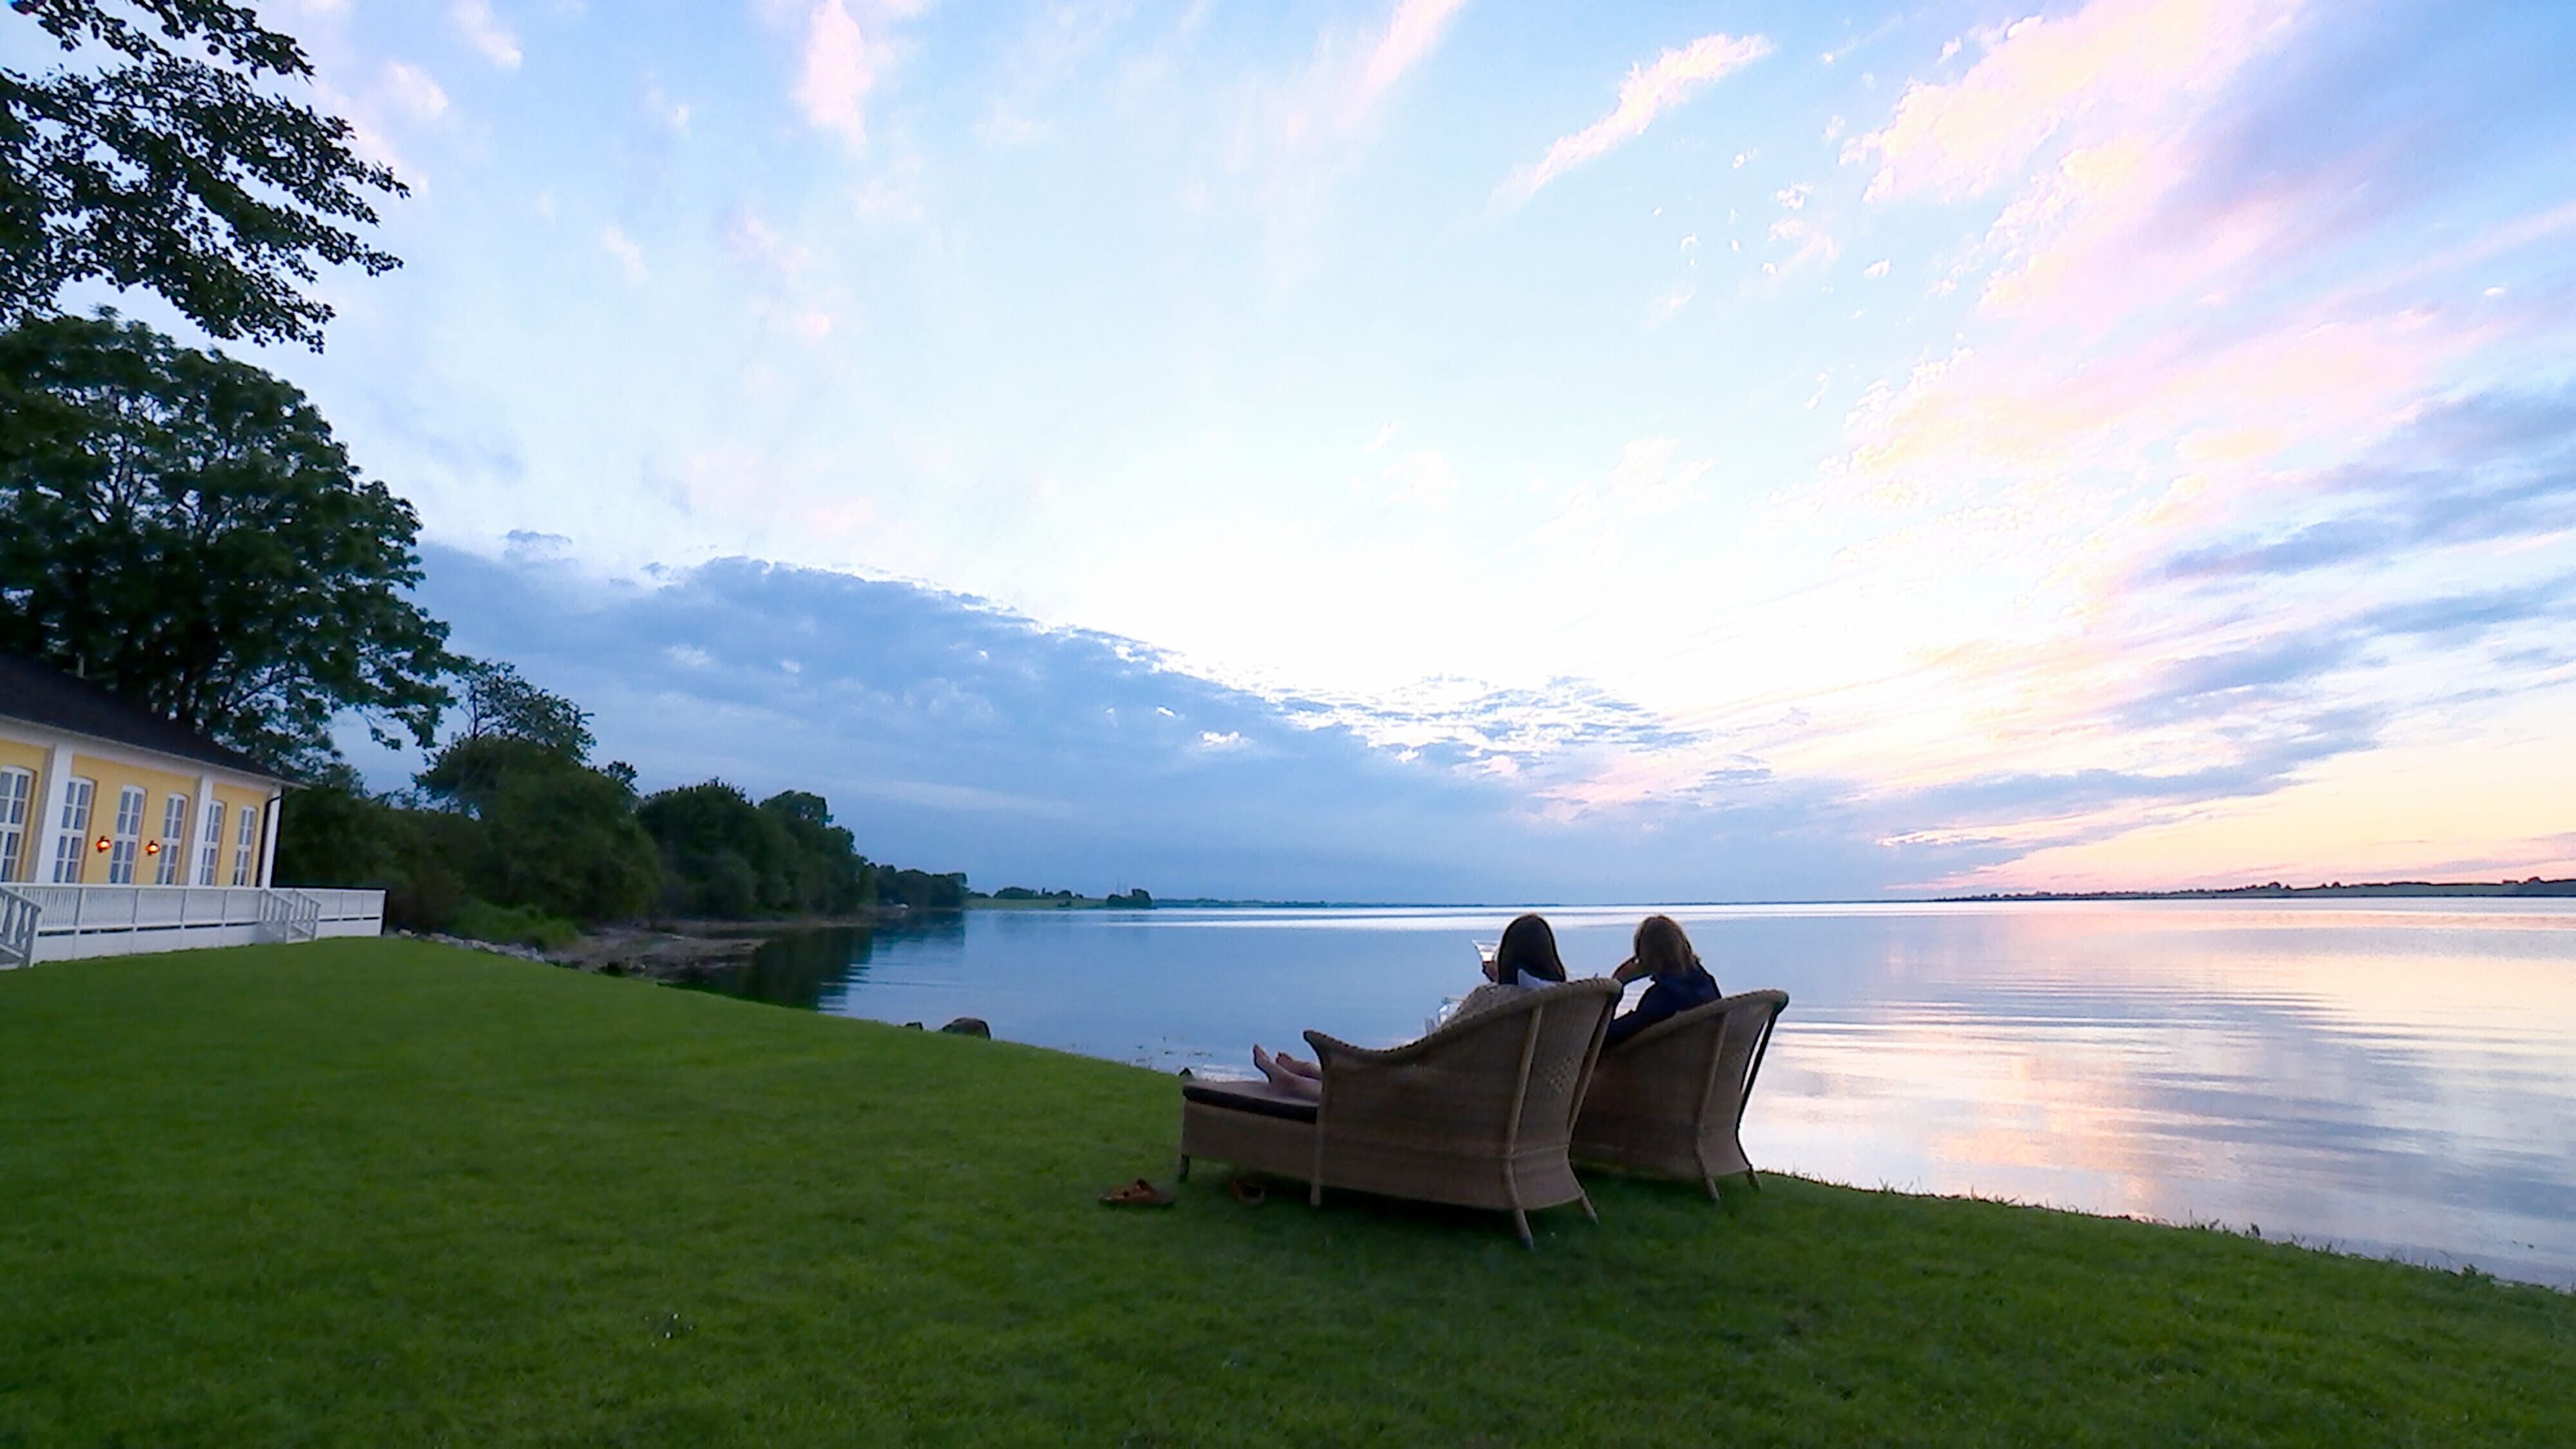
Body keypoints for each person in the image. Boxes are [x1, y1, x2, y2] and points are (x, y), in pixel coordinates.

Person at [1251, 913, 1568, 1101]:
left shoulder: (1494, 1000)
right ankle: (1310, 1071)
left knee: (1377, 1084)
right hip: (1505, 1099)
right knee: (1384, 1076)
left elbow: (1444, 1040)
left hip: (1455, 1098)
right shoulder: (1564, 1004)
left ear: (1508, 955)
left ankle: (1293, 1082)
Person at [1603, 914, 1721, 1049]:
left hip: (1656, 1068)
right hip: (1703, 1066)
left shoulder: (1661, 998)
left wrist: (1618, 984)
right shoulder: (1707, 985)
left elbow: (1604, 1038)